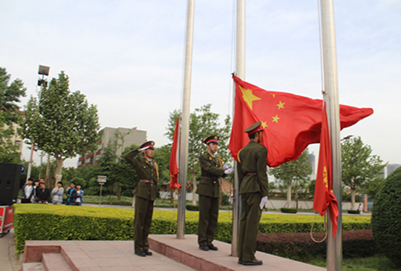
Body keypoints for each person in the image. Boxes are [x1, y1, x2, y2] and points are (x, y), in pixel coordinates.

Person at [237, 121, 269, 266]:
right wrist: (265, 192)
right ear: (257, 134)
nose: (262, 135)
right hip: (256, 187)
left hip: (245, 187)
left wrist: (242, 187)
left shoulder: (242, 151)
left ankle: (241, 254)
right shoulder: (261, 149)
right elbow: (261, 172)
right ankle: (248, 256)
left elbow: (240, 174)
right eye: (261, 133)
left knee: (243, 220)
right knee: (252, 223)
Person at [196, 135, 234, 251]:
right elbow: (209, 169)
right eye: (213, 144)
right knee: (204, 216)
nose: (215, 146)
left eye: (217, 144)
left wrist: (223, 170)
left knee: (213, 216)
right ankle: (202, 241)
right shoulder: (204, 157)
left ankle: (209, 241)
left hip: (215, 188)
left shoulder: (218, 159)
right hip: (206, 187)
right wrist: (223, 172)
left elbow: (217, 171)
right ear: (208, 145)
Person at [124, 141, 158, 257]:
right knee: (140, 222)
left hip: (151, 192)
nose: (152, 151)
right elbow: (127, 157)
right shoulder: (139, 161)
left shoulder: (154, 163)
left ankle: (145, 246)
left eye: (153, 149)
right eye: (149, 149)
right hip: (142, 192)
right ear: (144, 151)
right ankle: (138, 248)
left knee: (147, 221)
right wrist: (137, 150)